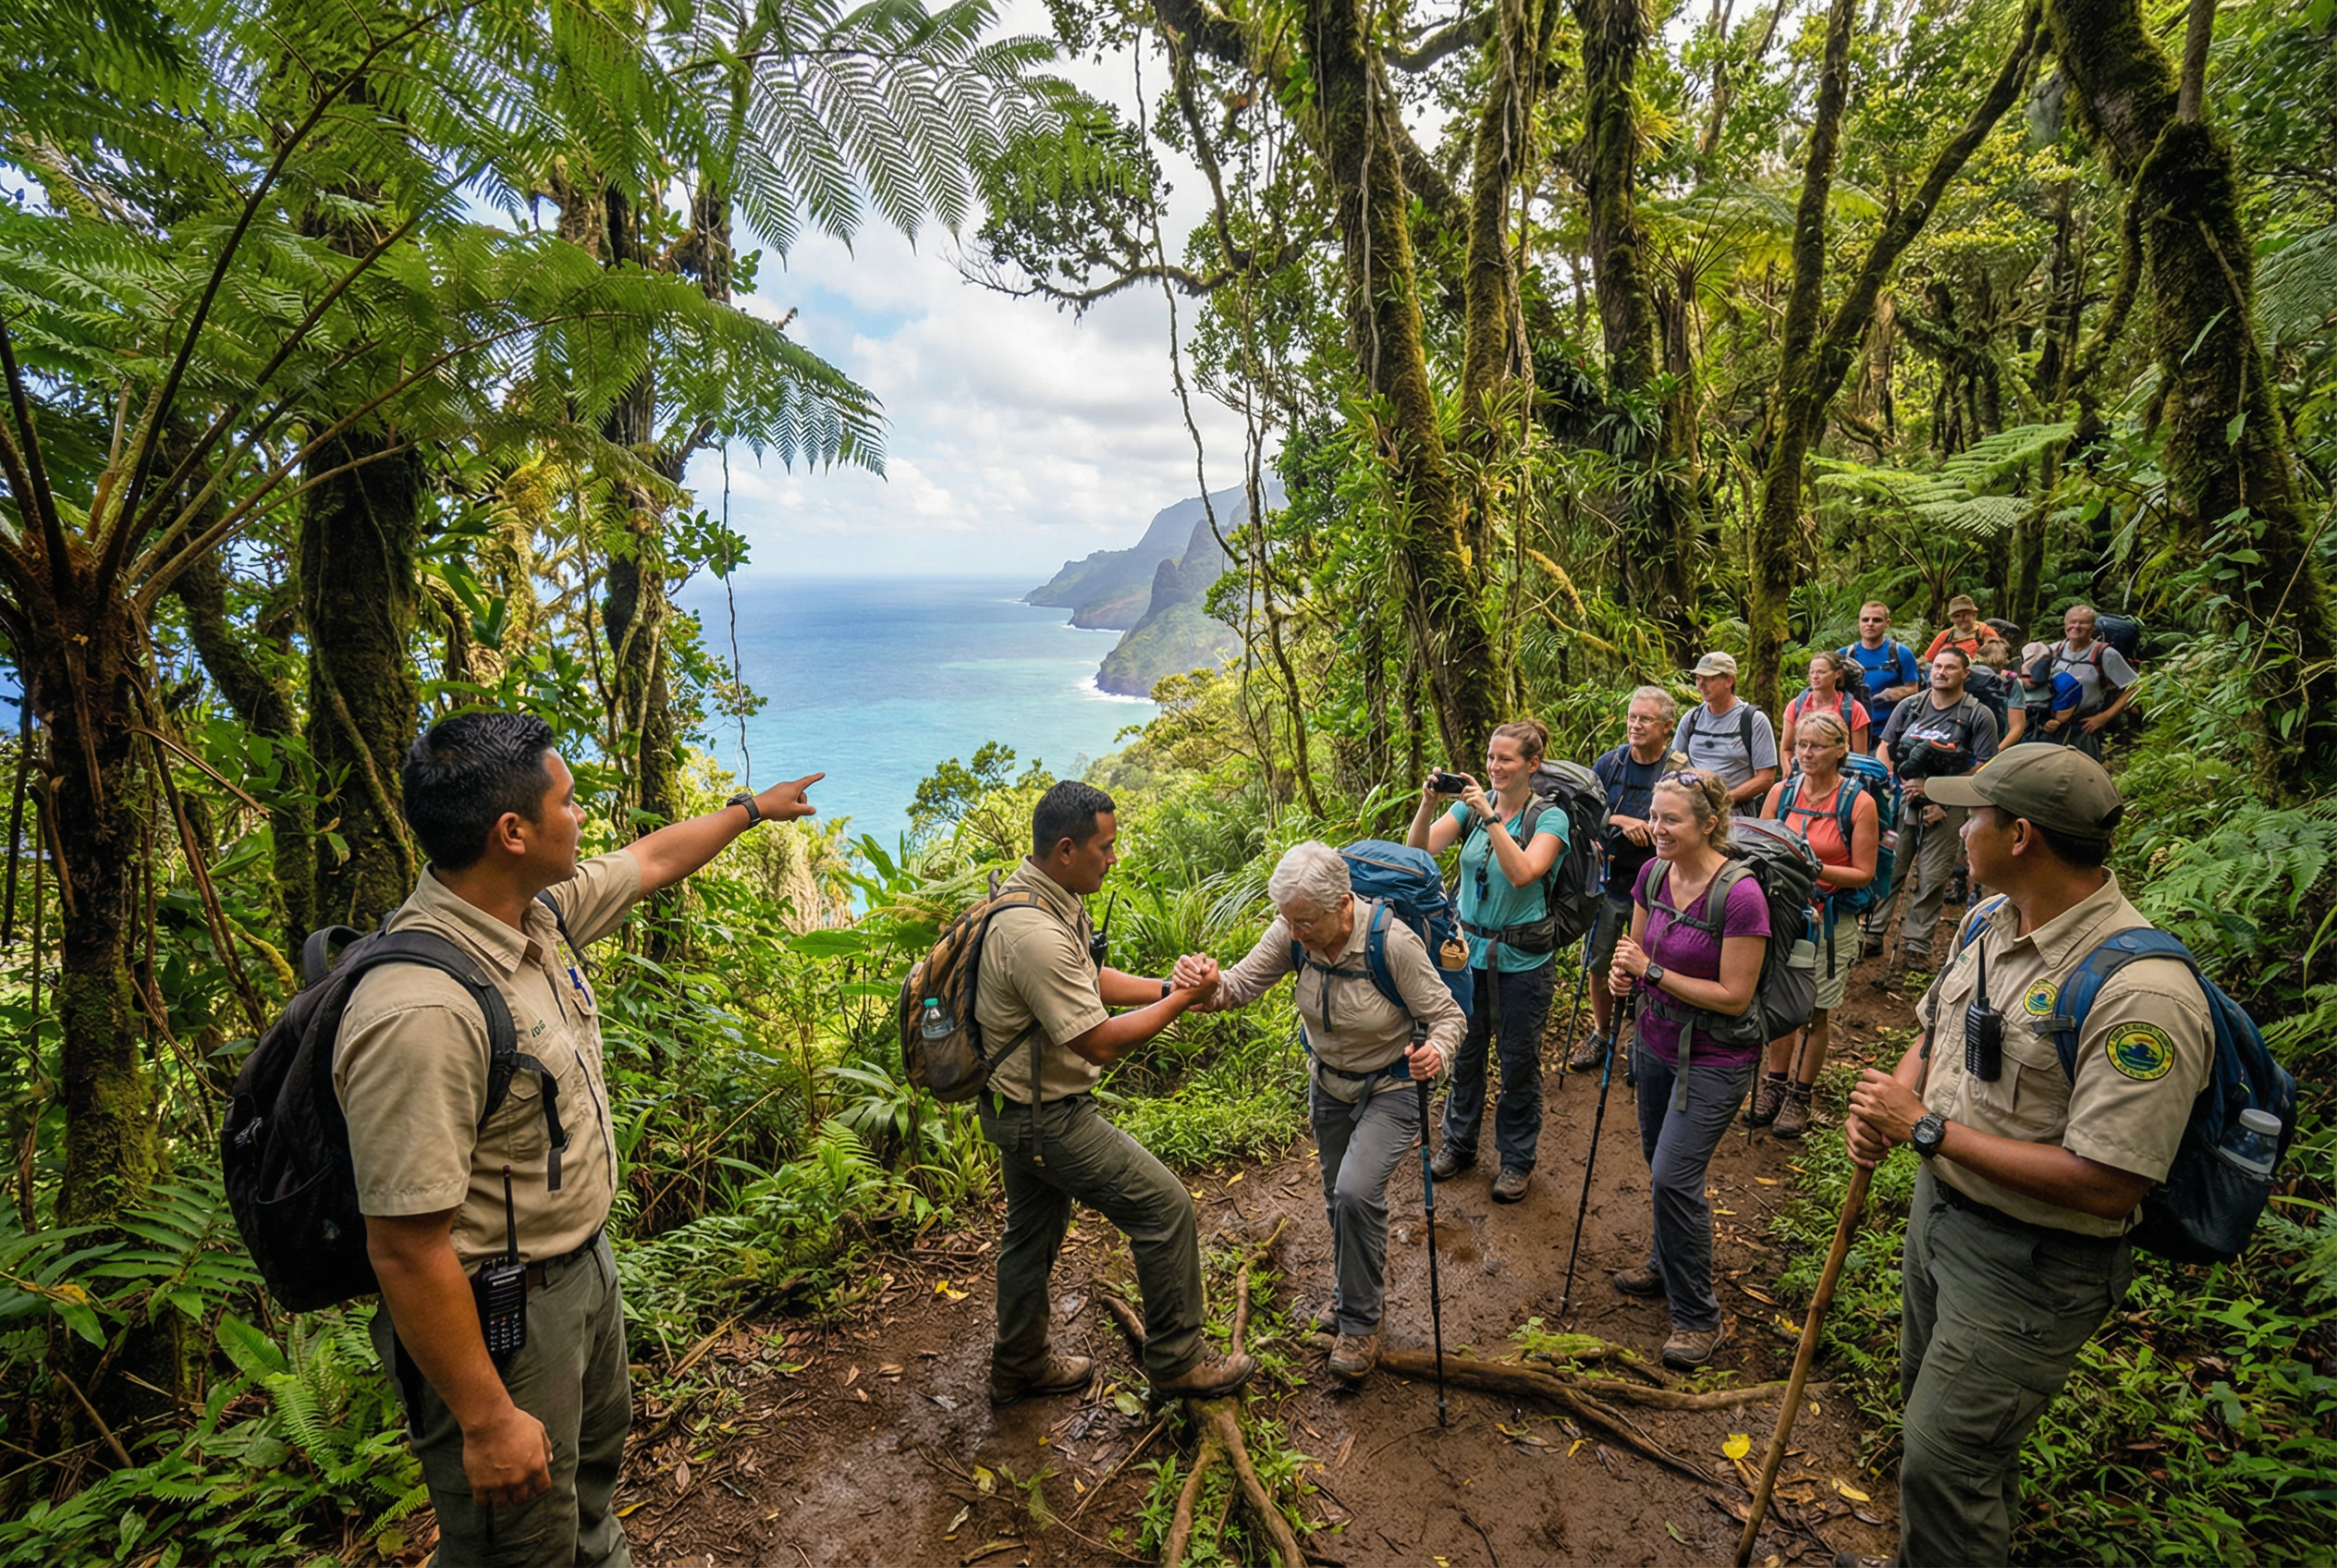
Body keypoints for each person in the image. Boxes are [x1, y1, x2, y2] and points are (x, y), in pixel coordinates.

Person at [338, 711, 826, 1567]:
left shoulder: (536, 917)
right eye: (567, 803)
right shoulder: (420, 1011)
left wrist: (752, 809)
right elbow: (406, 1249)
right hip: (502, 1314)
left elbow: (652, 860)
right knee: (517, 1543)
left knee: (586, 1495)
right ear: (511, 832)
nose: (584, 819)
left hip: (579, 1272)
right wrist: (488, 1420)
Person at [1842, 747, 2211, 1568]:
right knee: (1938, 1433)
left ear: (2020, 836)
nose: (1956, 826)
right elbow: (1935, 1030)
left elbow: (2113, 1182)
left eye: (1972, 814)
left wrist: (1925, 1131)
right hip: (1941, 1216)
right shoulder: (1988, 921)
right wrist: (1889, 1105)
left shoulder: (2141, 994)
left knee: (1947, 1460)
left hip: (2034, 1262)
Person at [974, 781, 1254, 1407]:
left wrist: (1163, 988)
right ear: (1067, 848)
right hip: (1045, 1119)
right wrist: (1186, 999)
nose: (1114, 857)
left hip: (1013, 1107)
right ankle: (1178, 1364)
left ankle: (1018, 1365)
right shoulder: (1032, 934)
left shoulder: (1040, 895)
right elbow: (1097, 1043)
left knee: (1032, 1235)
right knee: (1165, 1209)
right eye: (1106, 846)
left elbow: (1086, 978)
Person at [1174, 842, 1463, 1381]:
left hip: (1393, 1083)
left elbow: (1447, 1015)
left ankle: (1360, 1323)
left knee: (1356, 1191)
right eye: (1288, 919)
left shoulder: (1390, 943)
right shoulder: (1294, 931)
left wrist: (1437, 1052)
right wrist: (1203, 984)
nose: (1295, 931)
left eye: (1305, 920)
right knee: (1338, 1199)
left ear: (1342, 903)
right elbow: (1236, 988)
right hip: (1329, 1084)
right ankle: (1351, 1290)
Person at [1605, 768, 1769, 1368]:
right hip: (1653, 1041)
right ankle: (1663, 1261)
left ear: (1709, 824)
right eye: (1655, 814)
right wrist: (1625, 972)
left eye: (1671, 819)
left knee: (1674, 1176)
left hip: (1718, 1057)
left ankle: (1699, 1318)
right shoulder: (1652, 873)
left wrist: (1650, 973)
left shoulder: (1741, 894)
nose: (1657, 827)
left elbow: (1734, 995)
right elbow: (1635, 951)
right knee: (1660, 1166)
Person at [1405, 720, 1567, 1204]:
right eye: (1491, 757)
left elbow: (1523, 874)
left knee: (1518, 1061)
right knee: (1466, 1053)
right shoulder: (1469, 809)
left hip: (1524, 961)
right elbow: (1419, 854)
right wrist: (1429, 804)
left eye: (1506, 759)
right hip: (1465, 956)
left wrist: (1492, 818)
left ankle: (1516, 1159)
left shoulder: (1550, 819)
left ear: (1531, 765)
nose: (1495, 767)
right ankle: (1459, 1143)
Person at [1749, 711, 1877, 1138]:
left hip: (1829, 920)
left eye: (1817, 746)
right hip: (1782, 914)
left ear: (1841, 750)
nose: (1806, 753)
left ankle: (1800, 1095)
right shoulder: (1781, 793)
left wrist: (1812, 866)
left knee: (1816, 1011)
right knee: (1780, 1001)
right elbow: (1761, 847)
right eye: (1802, 744)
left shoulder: (1858, 803)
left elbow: (1864, 873)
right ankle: (1774, 1084)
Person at [1871, 646, 2000, 977]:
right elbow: (1885, 747)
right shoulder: (1911, 706)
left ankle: (1917, 946)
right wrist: (1892, 780)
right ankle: (1872, 933)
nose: (1941, 672)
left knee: (1931, 877)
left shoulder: (1977, 714)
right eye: (1937, 667)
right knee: (1890, 868)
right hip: (1901, 801)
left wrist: (1938, 795)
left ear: (1964, 674)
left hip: (1948, 807)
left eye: (1950, 668)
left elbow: (1984, 766)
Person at [1581, 687, 1681, 1072]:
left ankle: (1645, 1040)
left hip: (1661, 889)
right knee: (1600, 961)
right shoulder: (1611, 764)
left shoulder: (1679, 771)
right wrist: (1620, 821)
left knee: (1651, 965)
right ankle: (1602, 1032)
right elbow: (1584, 814)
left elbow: (1689, 824)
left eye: (1646, 719)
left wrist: (1655, 827)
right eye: (1632, 717)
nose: (1635, 725)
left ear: (1667, 727)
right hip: (1610, 883)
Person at [1671, 652, 1780, 807]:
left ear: (1729, 681)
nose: (1700, 685)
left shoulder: (1753, 720)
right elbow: (1674, 766)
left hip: (1736, 814)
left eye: (1708, 679)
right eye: (1698, 678)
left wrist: (1722, 801)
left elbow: (1766, 778)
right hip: (1693, 811)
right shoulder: (1692, 718)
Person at [2048, 604, 2137, 759]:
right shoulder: (2052, 651)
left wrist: (2105, 717)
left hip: (2084, 727)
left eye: (2083, 622)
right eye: (2072, 622)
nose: (2076, 626)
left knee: (2084, 773)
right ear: (2065, 626)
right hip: (2051, 726)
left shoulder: (2105, 654)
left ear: (2092, 628)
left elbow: (2134, 687)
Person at [1842, 601, 1922, 751]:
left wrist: (1893, 693)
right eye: (1865, 620)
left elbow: (1914, 690)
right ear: (1859, 623)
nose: (1870, 624)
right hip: (1853, 732)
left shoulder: (1901, 653)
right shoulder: (1844, 655)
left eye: (1877, 620)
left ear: (1887, 624)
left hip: (1888, 733)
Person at [1780, 650, 1872, 758]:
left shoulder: (1853, 709)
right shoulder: (1796, 705)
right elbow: (1786, 749)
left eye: (1821, 672)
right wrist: (1789, 772)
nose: (1814, 676)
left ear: (1838, 674)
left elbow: (1860, 758)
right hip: (1802, 770)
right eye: (1811, 672)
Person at [2008, 639, 2084, 746]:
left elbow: (2060, 720)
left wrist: (2053, 723)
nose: (2027, 681)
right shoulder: (2008, 677)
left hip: (2043, 741)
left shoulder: (2064, 685)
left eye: (2032, 679)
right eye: (2025, 676)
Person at [1920, 594, 1988, 664]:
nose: (1962, 619)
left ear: (1974, 614)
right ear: (1951, 618)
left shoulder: (1983, 630)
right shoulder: (1945, 635)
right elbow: (1927, 659)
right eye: (1957, 616)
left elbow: (1995, 652)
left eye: (1965, 615)